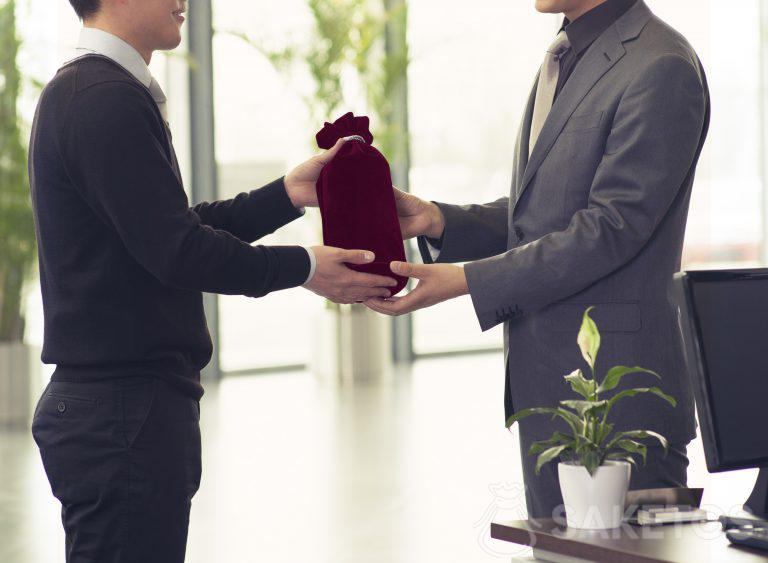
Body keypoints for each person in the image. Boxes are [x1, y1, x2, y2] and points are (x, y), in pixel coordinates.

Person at [28, 1, 397, 561]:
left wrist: (287, 194)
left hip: (123, 409)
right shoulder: (102, 99)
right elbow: (178, 251)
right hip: (121, 412)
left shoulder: (99, 91)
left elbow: (170, 230)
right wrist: (305, 268)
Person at [366, 0, 710, 519]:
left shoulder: (662, 65)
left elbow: (609, 229)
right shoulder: (568, 51)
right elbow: (548, 215)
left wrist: (466, 280)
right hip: (551, 385)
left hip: (617, 401)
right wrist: (439, 220)